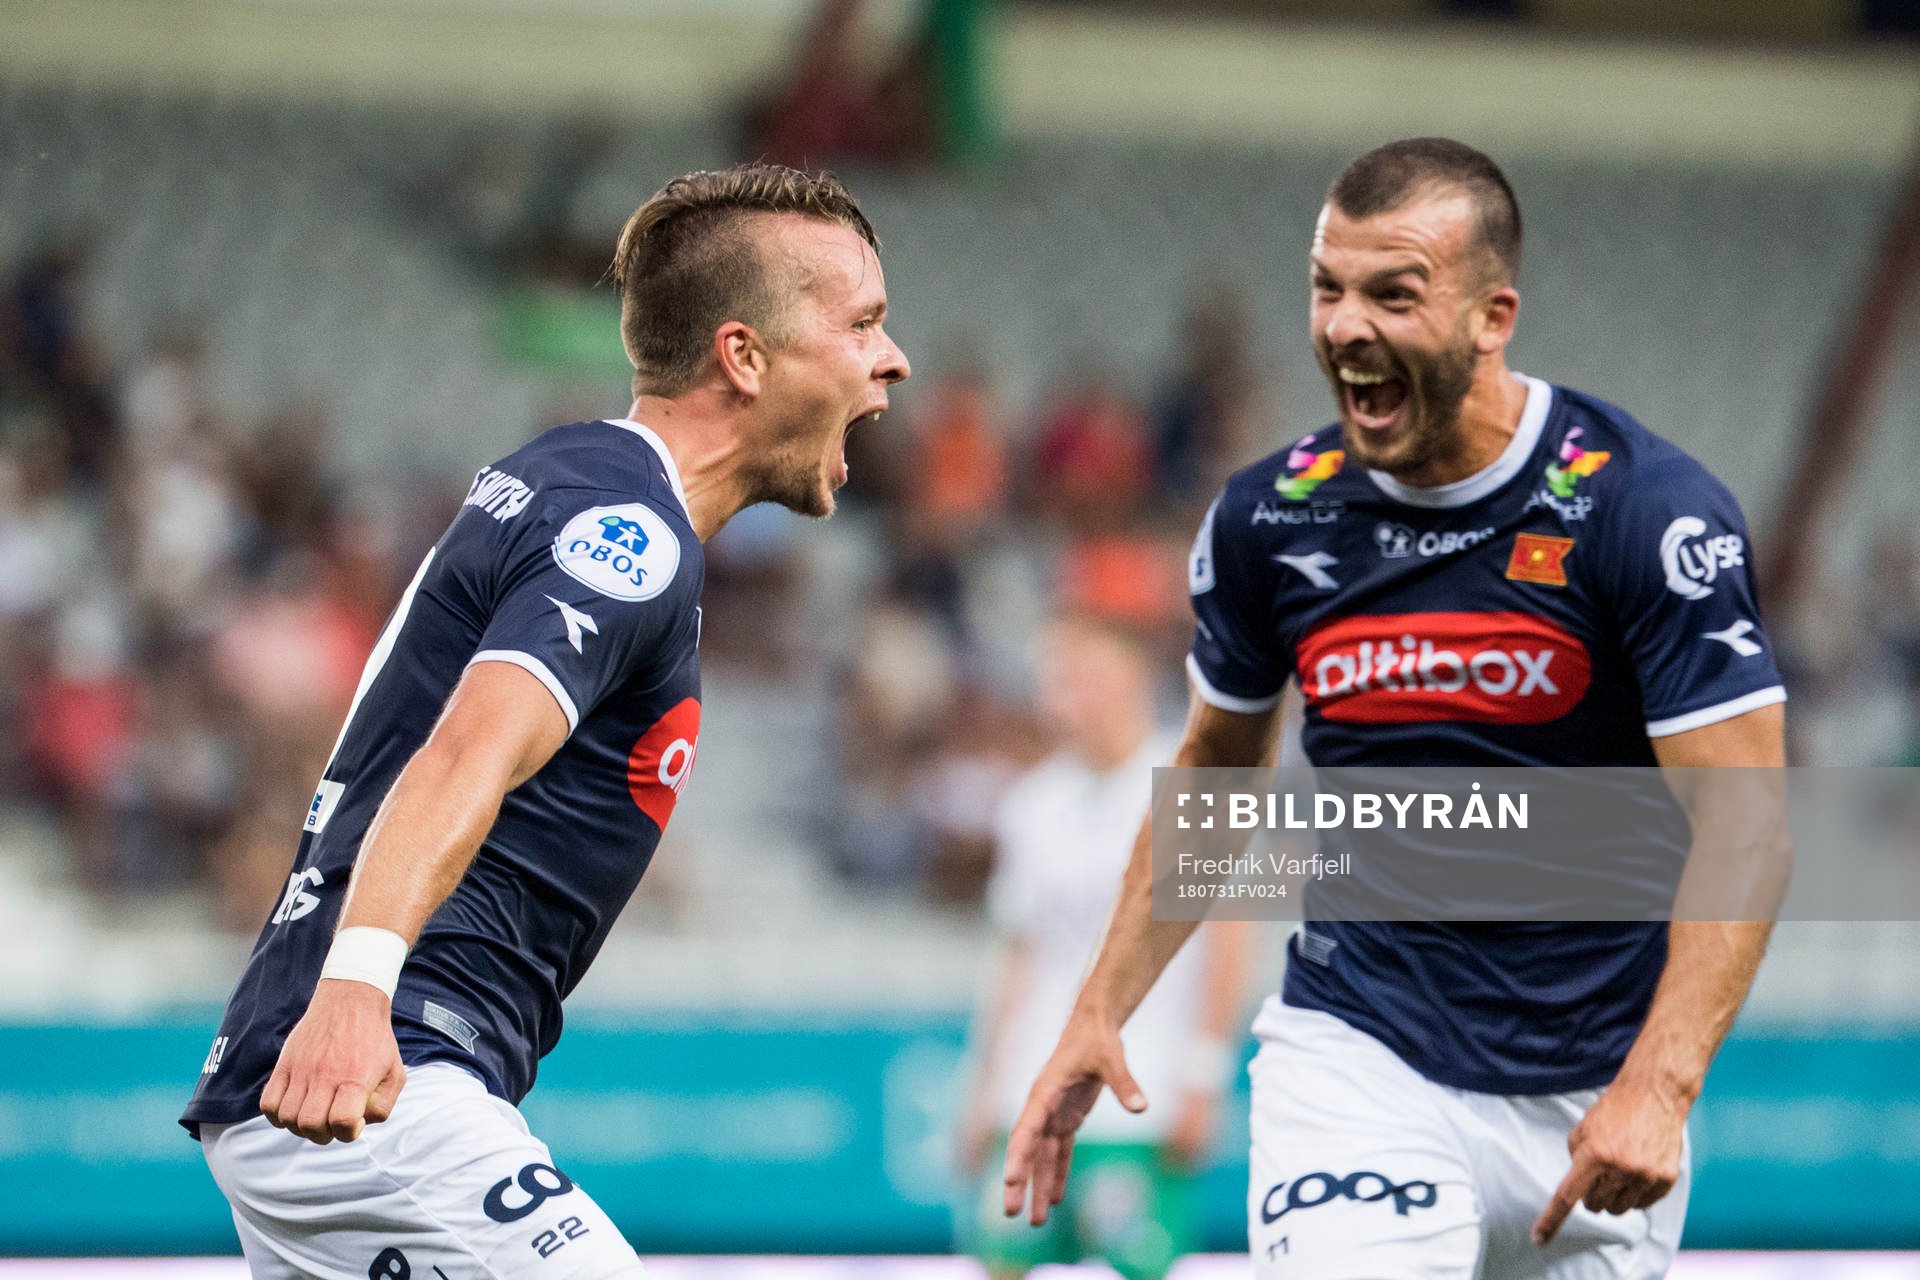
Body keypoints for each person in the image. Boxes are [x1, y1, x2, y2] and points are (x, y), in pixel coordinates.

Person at [1002, 137, 1789, 1280]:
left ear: (1491, 314)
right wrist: (1100, 1009)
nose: (1345, 326)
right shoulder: (1269, 519)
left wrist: (1661, 1085)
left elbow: (1747, 820)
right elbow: (1216, 776)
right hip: (1359, 1054)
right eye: (1327, 287)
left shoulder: (1642, 511)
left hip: (1593, 1097)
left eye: (1393, 293)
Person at [181, 162, 909, 1279]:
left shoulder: (572, 478)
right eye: (863, 321)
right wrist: (357, 990)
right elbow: (468, 744)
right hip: (385, 1077)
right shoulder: (628, 530)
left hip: (349, 1083)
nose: (891, 358)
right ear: (744, 355)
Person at [958, 613, 1252, 1280]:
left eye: (1083, 676)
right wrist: (983, 1086)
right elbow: (1019, 956)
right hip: (1029, 1092)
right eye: (1056, 680)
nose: (1066, 695)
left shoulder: (1188, 786)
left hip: (1138, 1100)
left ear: (1134, 678)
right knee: (999, 1264)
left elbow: (1229, 938)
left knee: (1138, 1268)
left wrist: (1203, 1075)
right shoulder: (1031, 804)